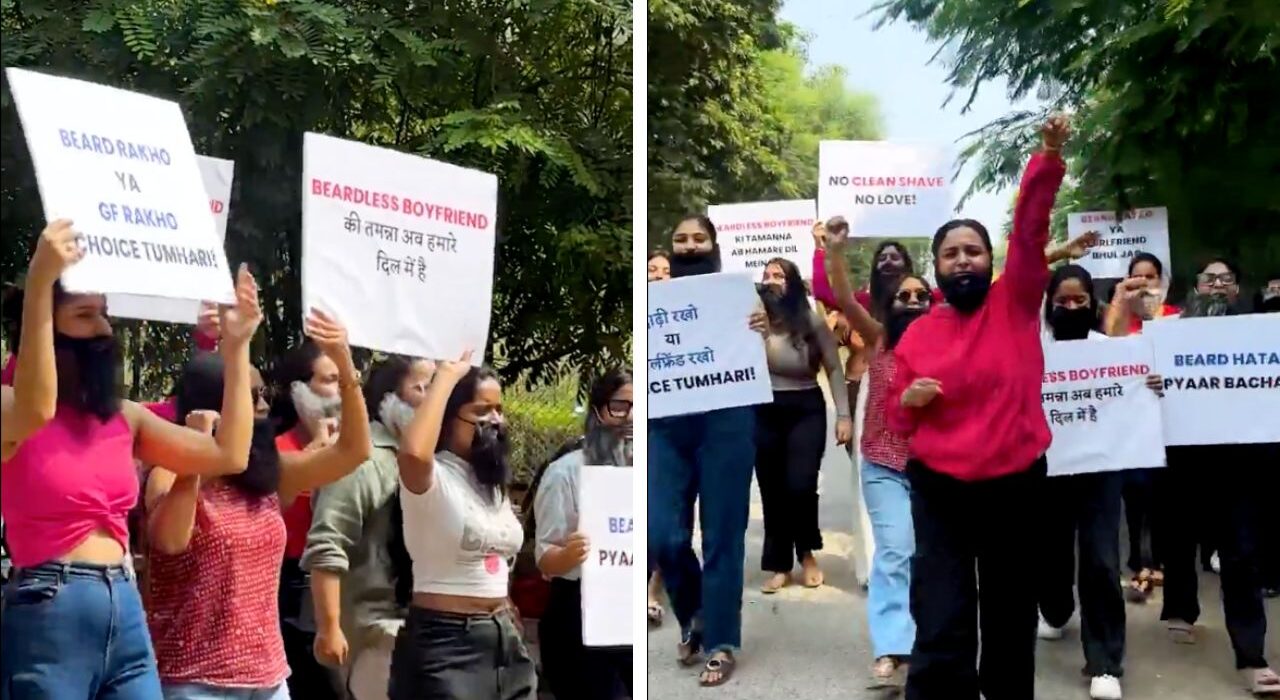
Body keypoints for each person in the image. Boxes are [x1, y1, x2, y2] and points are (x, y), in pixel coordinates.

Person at [1, 220, 260, 698]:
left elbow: (229, 454)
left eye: (104, 314)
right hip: (49, 608)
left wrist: (237, 348)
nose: (103, 329)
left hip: (125, 604)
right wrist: (40, 280)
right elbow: (37, 405)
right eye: (84, 315)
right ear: (44, 327)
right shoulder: (9, 409)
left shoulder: (124, 417)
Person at [887, 116, 1071, 700]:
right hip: (941, 490)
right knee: (942, 615)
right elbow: (896, 420)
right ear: (936, 267)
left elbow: (1030, 229)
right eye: (949, 253)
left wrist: (1046, 157)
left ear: (992, 261)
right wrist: (910, 401)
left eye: (972, 251)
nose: (962, 259)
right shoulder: (917, 336)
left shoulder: (1014, 302)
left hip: (1015, 486)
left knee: (1009, 616)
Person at [145, 310, 370, 700]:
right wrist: (197, 454)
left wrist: (344, 364)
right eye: (253, 396)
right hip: (194, 681)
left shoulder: (268, 473)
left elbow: (353, 451)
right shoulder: (170, 471)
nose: (264, 405)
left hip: (267, 679)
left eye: (263, 394)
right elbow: (170, 540)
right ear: (216, 403)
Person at [1113, 260, 1280, 695]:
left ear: (1238, 288)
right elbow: (1131, 375)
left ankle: (1251, 654)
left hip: (1243, 461)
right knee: (1178, 536)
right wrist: (1150, 382)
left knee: (1242, 551)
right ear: (1196, 288)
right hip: (1181, 454)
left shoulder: (1263, 332)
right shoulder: (1171, 333)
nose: (1218, 286)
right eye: (1210, 279)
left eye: (1227, 279)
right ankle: (1180, 609)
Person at [648, 214, 769, 687]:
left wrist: (764, 326)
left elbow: (772, 345)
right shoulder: (650, 300)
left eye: (700, 239)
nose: (691, 246)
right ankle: (695, 609)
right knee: (662, 535)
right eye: (681, 239)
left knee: (722, 535)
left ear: (716, 245)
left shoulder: (742, 296)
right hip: (667, 424)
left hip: (727, 421)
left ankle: (720, 641)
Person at [1035, 264, 1163, 700]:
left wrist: (1149, 386)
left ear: (1092, 305)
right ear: (1049, 305)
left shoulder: (1109, 350)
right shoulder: (1034, 349)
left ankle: (1105, 660)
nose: (1071, 307)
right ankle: (1054, 611)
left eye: (1080, 301)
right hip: (1047, 470)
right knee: (1051, 555)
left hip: (1100, 473)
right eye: (1062, 301)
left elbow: (1135, 394)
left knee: (1101, 561)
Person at [819, 219, 933, 689]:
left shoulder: (953, 340)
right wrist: (835, 252)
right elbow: (845, 300)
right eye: (903, 296)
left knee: (930, 557)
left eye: (920, 296)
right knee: (895, 550)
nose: (911, 302)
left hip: (936, 465)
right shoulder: (881, 336)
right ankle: (890, 646)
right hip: (885, 464)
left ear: (933, 301)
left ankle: (929, 640)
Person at [389, 354, 532, 699]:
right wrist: (446, 378)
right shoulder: (430, 477)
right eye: (482, 412)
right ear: (447, 419)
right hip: (446, 646)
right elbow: (412, 454)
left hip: (504, 642)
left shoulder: (492, 484)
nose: (495, 420)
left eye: (499, 409)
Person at [302, 355, 436, 700]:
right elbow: (326, 544)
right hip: (373, 636)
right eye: (421, 388)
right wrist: (329, 627)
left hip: (424, 631)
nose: (433, 398)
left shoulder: (435, 462)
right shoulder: (366, 462)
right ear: (389, 399)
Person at [535, 369, 634, 700]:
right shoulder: (565, 473)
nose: (631, 416)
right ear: (597, 411)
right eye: (620, 406)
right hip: (578, 614)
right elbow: (546, 561)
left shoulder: (651, 470)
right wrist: (569, 554)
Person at [755, 257, 851, 593]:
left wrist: (843, 415)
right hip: (763, 410)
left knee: (800, 485)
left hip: (805, 408)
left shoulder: (810, 320)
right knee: (772, 489)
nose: (771, 281)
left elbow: (834, 369)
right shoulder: (752, 321)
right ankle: (779, 565)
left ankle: (807, 553)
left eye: (778, 275)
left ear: (793, 283)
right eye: (766, 275)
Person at [269, 338, 348, 699]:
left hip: (344, 582)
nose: (338, 392)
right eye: (328, 380)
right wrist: (318, 451)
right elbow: (269, 513)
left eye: (343, 381)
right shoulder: (275, 449)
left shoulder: (358, 448)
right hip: (288, 583)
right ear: (298, 389)